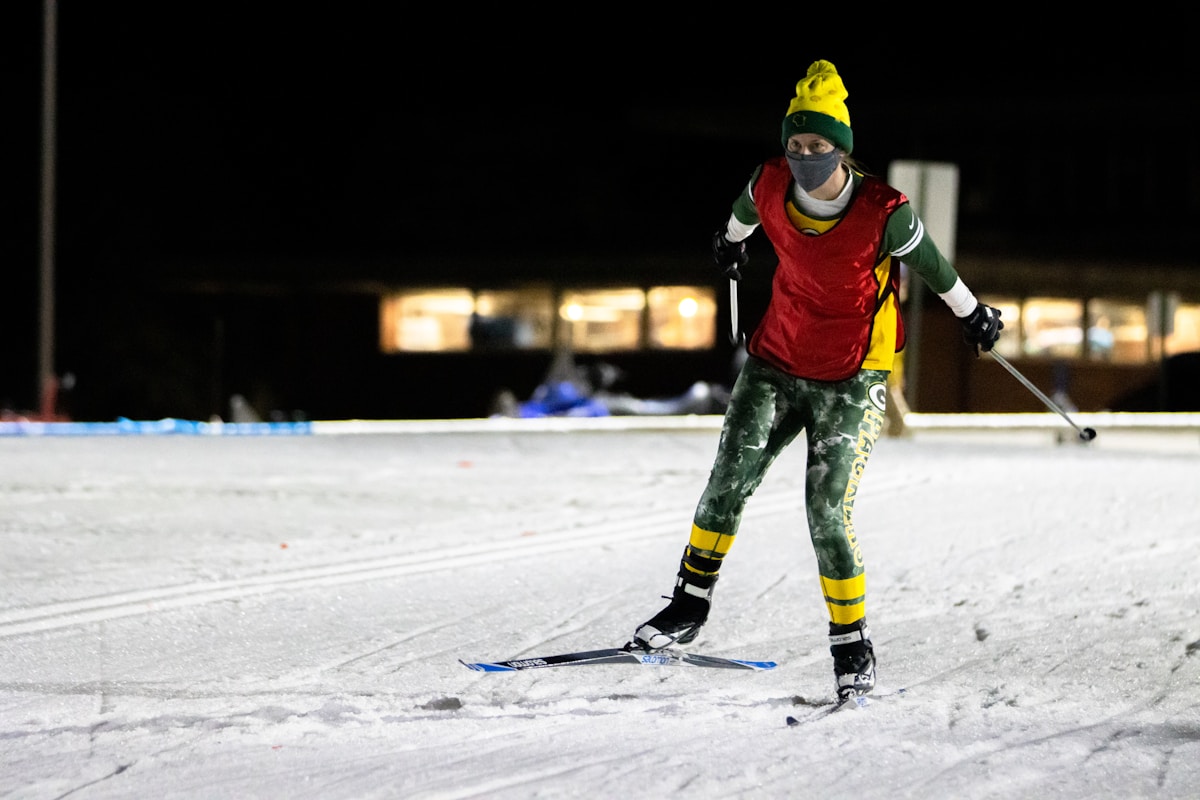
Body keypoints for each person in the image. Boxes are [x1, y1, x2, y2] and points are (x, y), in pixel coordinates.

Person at [628, 60, 1003, 701]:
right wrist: (729, 243)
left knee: (826, 510)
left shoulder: (884, 212)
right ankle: (688, 605)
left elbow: (935, 268)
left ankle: (852, 643)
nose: (805, 156)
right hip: (777, 359)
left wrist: (974, 314)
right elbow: (742, 215)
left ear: (842, 149)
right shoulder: (769, 182)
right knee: (726, 481)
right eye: (796, 144)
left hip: (853, 374)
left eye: (818, 145)